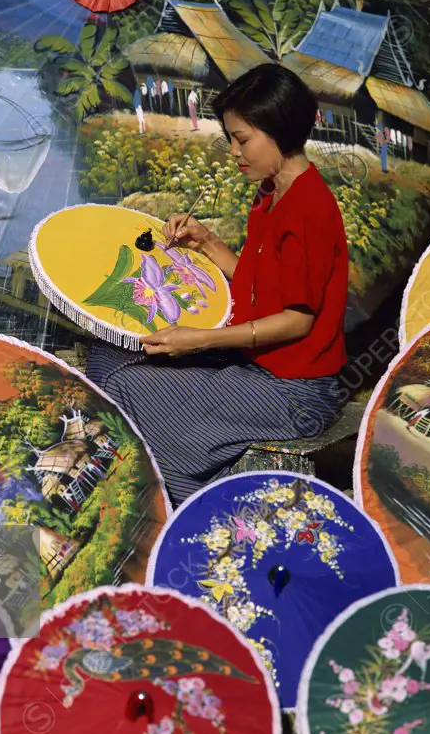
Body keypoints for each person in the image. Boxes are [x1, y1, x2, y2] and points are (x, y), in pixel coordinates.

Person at [85, 63, 348, 507]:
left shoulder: (309, 209)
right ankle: (155, 477)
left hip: (295, 391)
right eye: (231, 138)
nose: (233, 151)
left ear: (278, 131)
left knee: (130, 387)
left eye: (242, 139)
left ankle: (194, 505)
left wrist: (200, 341)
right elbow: (264, 282)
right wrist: (206, 241)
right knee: (110, 352)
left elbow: (296, 320)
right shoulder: (272, 192)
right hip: (257, 364)